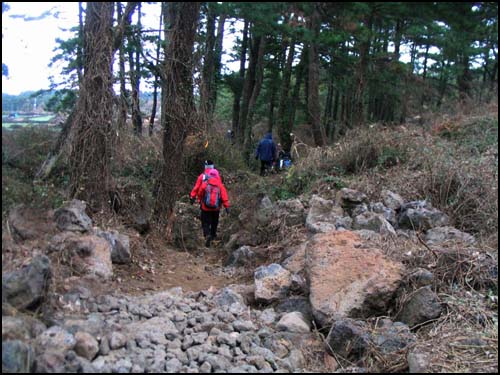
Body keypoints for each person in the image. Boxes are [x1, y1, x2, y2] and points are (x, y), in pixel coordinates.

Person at [197, 169, 230, 247]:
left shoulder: (205, 183)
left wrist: (200, 200)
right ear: (217, 176)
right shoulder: (220, 185)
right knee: (214, 222)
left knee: (205, 222)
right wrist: (227, 207)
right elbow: (224, 196)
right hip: (216, 208)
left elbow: (200, 193)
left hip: (205, 208)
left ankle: (207, 235)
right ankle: (213, 235)